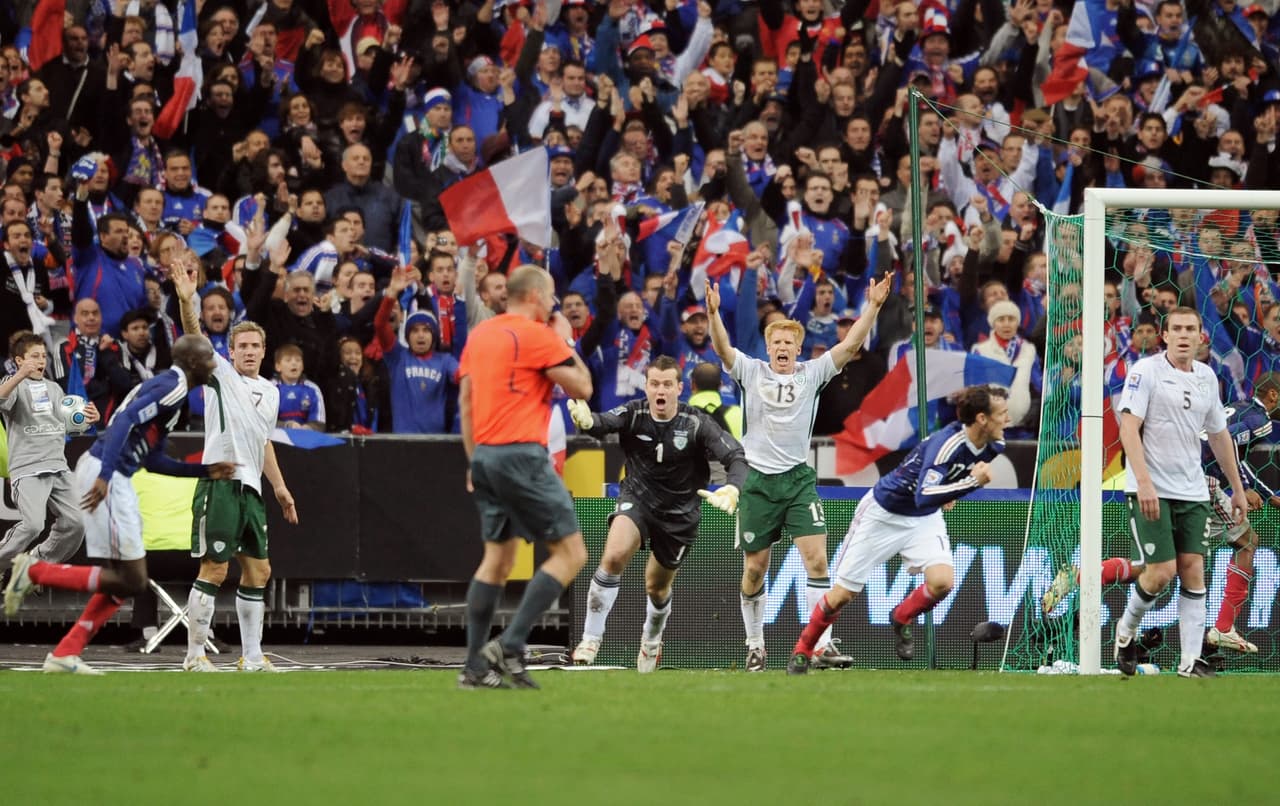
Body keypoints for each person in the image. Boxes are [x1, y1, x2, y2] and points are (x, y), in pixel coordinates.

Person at [4, 335, 234, 675]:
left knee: (125, 580)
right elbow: (123, 423)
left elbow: (152, 459)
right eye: (211, 360)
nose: (216, 365)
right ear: (195, 364)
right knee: (132, 579)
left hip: (110, 472)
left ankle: (65, 653)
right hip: (107, 474)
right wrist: (107, 475)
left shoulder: (173, 391)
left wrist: (203, 471)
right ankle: (36, 570)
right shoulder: (173, 387)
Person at [706, 270, 892, 671]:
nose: (782, 348)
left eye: (789, 342)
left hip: (797, 480)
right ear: (768, 348)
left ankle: (820, 644)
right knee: (755, 570)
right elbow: (722, 349)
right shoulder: (752, 371)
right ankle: (755, 643)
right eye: (776, 342)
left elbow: (851, 344)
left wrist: (873, 305)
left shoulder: (812, 374)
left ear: (798, 347)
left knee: (818, 562)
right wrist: (714, 315)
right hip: (756, 481)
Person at [1042, 372, 1280, 656]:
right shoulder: (1261, 421)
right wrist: (1243, 488)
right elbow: (1225, 441)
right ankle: (1222, 628)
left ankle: (1086, 575)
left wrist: (1263, 492)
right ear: (1273, 395)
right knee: (1243, 544)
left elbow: (1233, 454)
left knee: (1160, 565)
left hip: (1172, 471)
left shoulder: (1239, 406)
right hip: (1197, 480)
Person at [788, 385, 1010, 674]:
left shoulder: (995, 445)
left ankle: (902, 617)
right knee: (841, 595)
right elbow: (924, 493)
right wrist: (969, 484)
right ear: (982, 419)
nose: (1008, 420)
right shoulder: (945, 446)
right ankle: (802, 650)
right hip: (884, 513)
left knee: (943, 581)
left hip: (923, 518)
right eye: (1002, 414)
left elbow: (945, 484)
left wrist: (952, 488)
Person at [457, 265, 593, 689]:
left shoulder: (481, 335)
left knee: (496, 561)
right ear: (535, 295)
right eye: (551, 296)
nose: (555, 304)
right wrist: (563, 339)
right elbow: (583, 387)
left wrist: (474, 459)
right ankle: (511, 644)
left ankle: (474, 667)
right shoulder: (536, 335)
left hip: (486, 456)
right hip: (522, 454)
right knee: (572, 554)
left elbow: (466, 399)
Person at [567, 355, 748, 671]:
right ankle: (590, 640)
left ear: (680, 388)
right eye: (654, 384)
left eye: (667, 384)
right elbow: (603, 423)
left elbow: (735, 456)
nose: (660, 390)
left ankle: (651, 640)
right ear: (647, 387)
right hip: (637, 499)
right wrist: (586, 420)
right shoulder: (633, 413)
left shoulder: (697, 423)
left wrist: (733, 488)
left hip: (679, 514)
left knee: (657, 586)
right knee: (613, 556)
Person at [171, 261, 298, 672]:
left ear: (264, 351)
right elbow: (194, 335)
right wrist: (187, 299)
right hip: (221, 484)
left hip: (251, 488)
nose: (247, 351)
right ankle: (194, 656)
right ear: (230, 352)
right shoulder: (219, 375)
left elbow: (263, 442)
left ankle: (253, 657)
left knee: (260, 571)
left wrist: (279, 488)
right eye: (241, 346)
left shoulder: (271, 391)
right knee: (215, 566)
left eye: (254, 346)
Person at [1113, 307, 1248, 678]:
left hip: (1192, 490)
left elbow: (1220, 436)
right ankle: (1125, 632)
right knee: (1160, 573)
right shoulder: (1146, 372)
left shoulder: (1207, 377)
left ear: (1202, 336)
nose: (1184, 335)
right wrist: (1143, 482)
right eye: (1177, 329)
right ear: (1165, 335)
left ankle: (1189, 662)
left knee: (1194, 571)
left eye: (1191, 329)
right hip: (1151, 487)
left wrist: (1237, 489)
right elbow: (1129, 429)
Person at [0, 332, 101, 567]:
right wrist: (19, 375)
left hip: (57, 467)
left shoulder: (54, 388)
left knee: (77, 522)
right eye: (34, 356)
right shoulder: (12, 384)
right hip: (27, 469)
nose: (41, 361)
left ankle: (36, 563)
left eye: (44, 356)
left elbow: (70, 423)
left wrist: (89, 419)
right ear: (19, 360)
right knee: (33, 525)